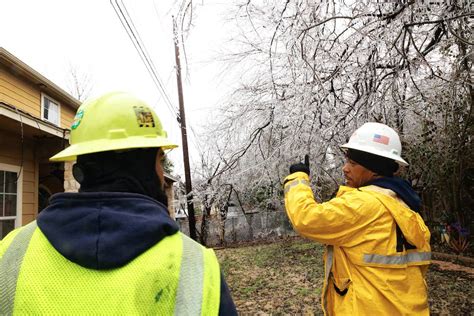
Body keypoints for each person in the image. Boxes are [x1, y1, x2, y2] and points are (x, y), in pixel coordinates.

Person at [0, 92, 237, 315]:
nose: (163, 174)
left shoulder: (9, 254)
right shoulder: (197, 269)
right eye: (159, 159)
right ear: (144, 166)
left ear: (81, 168)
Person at [284, 122, 431, 315]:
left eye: (352, 163)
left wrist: (298, 180)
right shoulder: (404, 204)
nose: (345, 169)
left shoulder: (364, 204)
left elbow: (306, 218)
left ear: (374, 169)